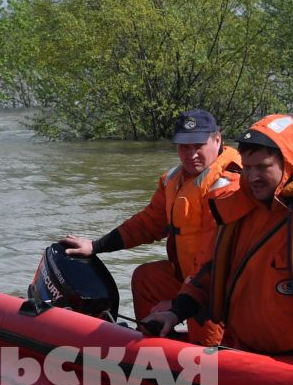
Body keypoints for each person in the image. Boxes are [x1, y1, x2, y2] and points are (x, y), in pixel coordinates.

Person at [143, 114, 293, 375]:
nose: (252, 176)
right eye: (248, 167)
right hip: (246, 357)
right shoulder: (237, 207)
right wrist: (174, 313)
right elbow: (207, 273)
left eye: (262, 167)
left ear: (288, 164)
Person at [60, 108, 250, 323]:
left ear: (217, 140)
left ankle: (189, 341)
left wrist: (180, 305)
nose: (191, 154)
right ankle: (151, 338)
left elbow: (214, 255)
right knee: (146, 279)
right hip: (188, 277)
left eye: (199, 146)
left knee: (205, 333)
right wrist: (96, 246)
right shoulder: (173, 179)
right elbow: (148, 223)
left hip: (217, 286)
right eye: (184, 147)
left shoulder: (229, 186)